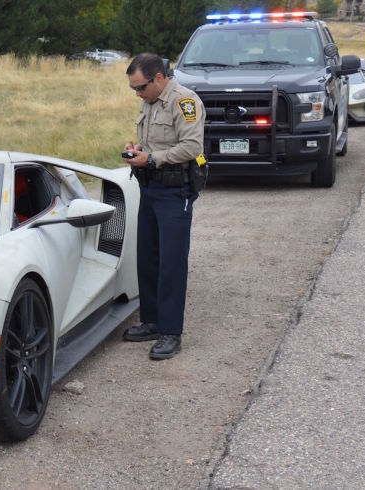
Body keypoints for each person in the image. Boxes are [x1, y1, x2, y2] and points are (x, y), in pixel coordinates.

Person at [121, 53, 206, 360]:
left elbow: (192, 147)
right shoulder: (150, 102)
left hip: (175, 189)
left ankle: (171, 332)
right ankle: (152, 321)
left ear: (159, 78)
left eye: (140, 87)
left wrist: (153, 159)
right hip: (150, 186)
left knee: (171, 262)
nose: (137, 94)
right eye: (134, 89)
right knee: (148, 257)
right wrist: (137, 150)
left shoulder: (185, 102)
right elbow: (153, 142)